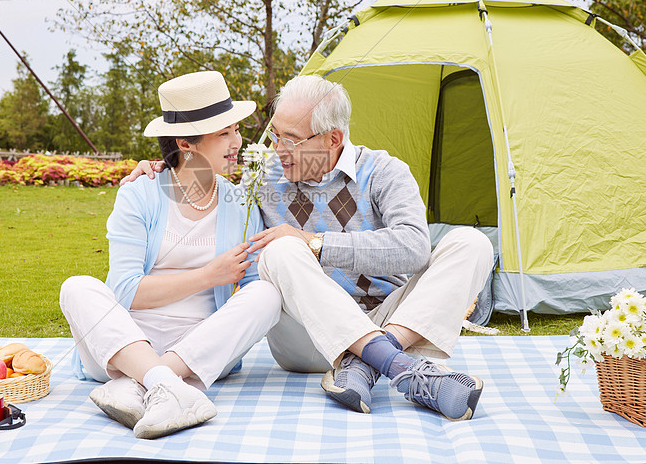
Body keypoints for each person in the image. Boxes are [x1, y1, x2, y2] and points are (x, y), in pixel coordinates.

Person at [124, 74, 493, 421]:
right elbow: (200, 168)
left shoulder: (384, 171)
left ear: (332, 140)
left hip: (384, 319)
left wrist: (316, 243)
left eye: (289, 139)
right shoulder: (263, 175)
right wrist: (162, 165)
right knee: (281, 248)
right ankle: (396, 365)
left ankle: (366, 361)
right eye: (274, 135)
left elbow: (414, 248)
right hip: (304, 336)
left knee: (473, 244)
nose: (275, 148)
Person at [60, 71, 281, 440]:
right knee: (77, 287)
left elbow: (253, 290)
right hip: (123, 344)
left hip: (198, 349)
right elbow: (126, 291)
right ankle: (165, 383)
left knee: (269, 294)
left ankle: (137, 386)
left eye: (237, 130)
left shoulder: (240, 201)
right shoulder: (140, 192)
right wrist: (208, 276)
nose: (237, 142)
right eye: (223, 133)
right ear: (186, 143)